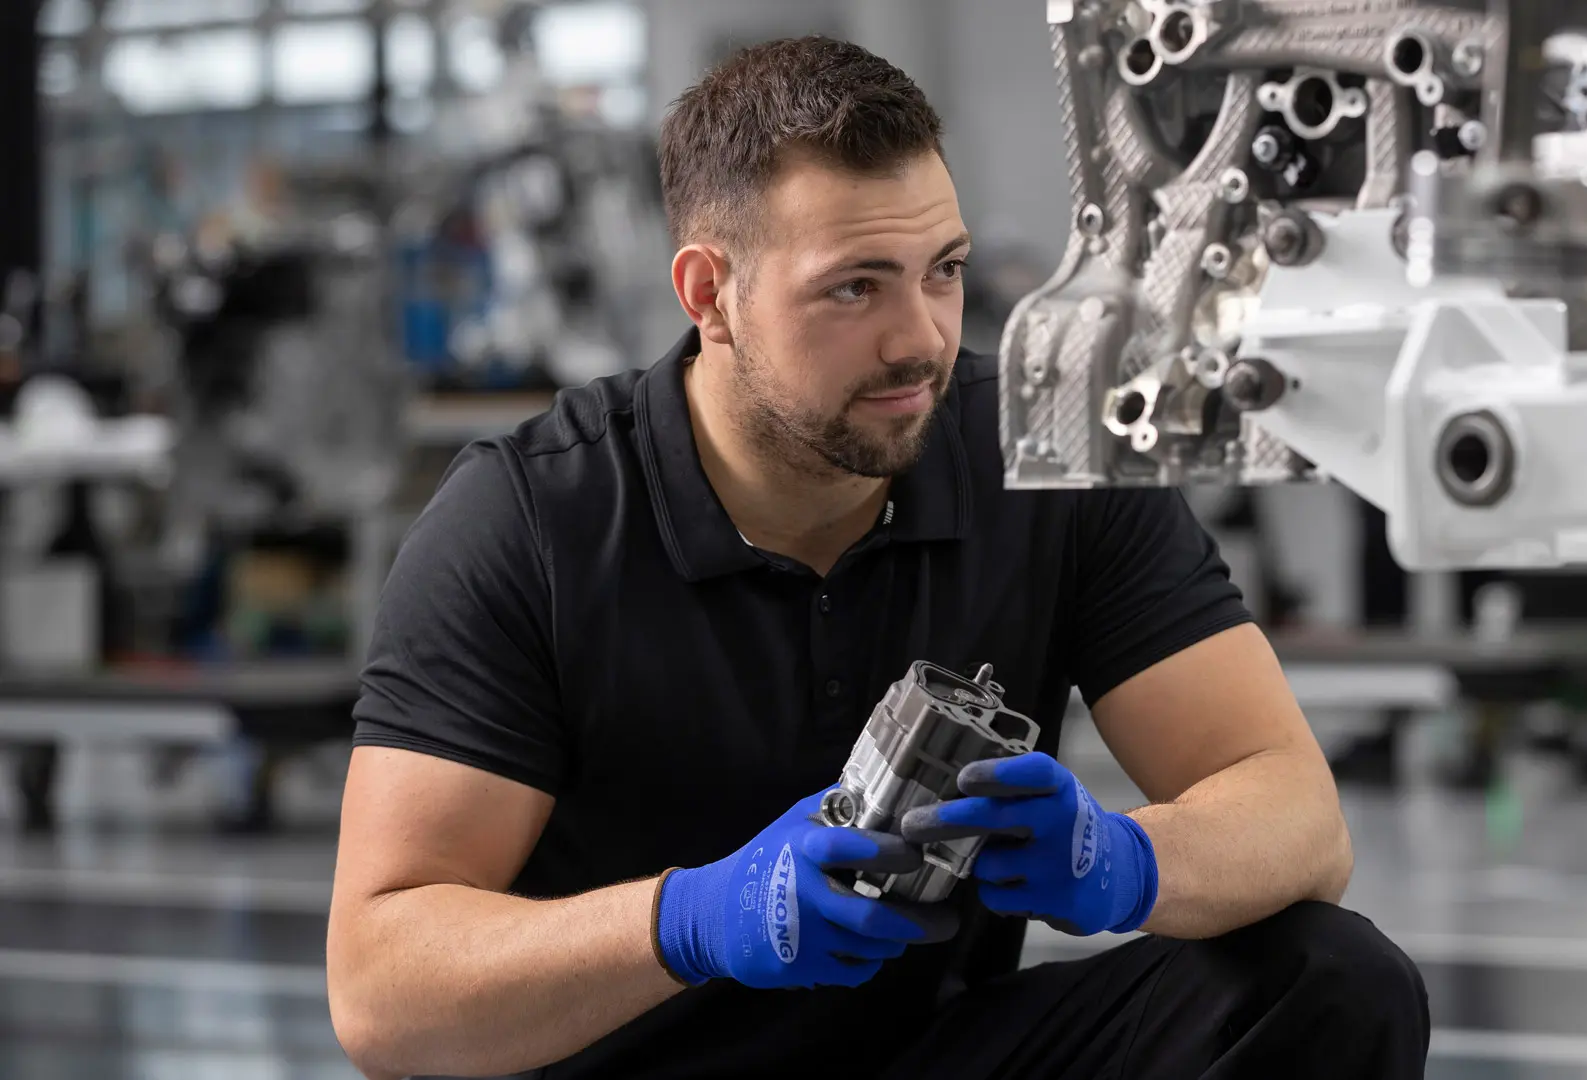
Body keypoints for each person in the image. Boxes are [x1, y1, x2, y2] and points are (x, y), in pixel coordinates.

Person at [326, 36, 1428, 1080]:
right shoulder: (529, 520)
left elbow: (1297, 817)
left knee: (1329, 981)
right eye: (855, 286)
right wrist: (691, 921)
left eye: (939, 270)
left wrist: (1121, 861)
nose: (921, 338)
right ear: (710, 294)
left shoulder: (1039, 457)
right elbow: (380, 991)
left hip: (922, 1052)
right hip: (624, 1062)